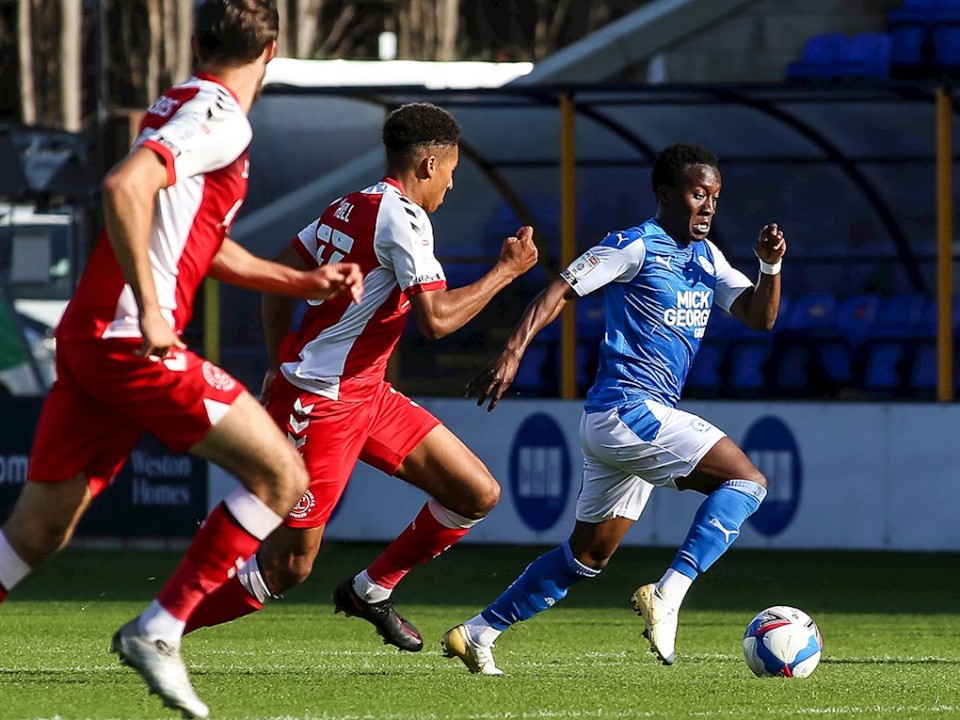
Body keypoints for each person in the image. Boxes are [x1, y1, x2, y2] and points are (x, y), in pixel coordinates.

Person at [0, 2, 363, 718]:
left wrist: (300, 282)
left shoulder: (178, 104)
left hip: (93, 337)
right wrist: (152, 307)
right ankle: (159, 629)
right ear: (272, 51)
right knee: (282, 475)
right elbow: (124, 187)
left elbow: (199, 239)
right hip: (130, 340)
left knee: (36, 533)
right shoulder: (220, 114)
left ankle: (158, 628)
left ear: (197, 42)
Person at [178, 102, 539, 652]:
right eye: (451, 171)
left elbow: (281, 273)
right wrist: (505, 272)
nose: (451, 184)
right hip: (321, 401)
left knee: (475, 493)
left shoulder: (352, 204)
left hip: (366, 393)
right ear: (428, 165)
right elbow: (437, 321)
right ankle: (162, 628)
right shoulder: (404, 218)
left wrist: (276, 361)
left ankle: (370, 590)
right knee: (288, 567)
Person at [442, 143, 787, 675]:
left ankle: (478, 632)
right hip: (630, 410)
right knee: (748, 482)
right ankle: (668, 594)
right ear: (666, 194)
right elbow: (559, 290)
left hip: (622, 424)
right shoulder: (633, 246)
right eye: (699, 194)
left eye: (715, 197)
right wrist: (512, 351)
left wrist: (769, 265)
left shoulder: (708, 258)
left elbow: (760, 317)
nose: (709, 207)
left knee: (588, 556)